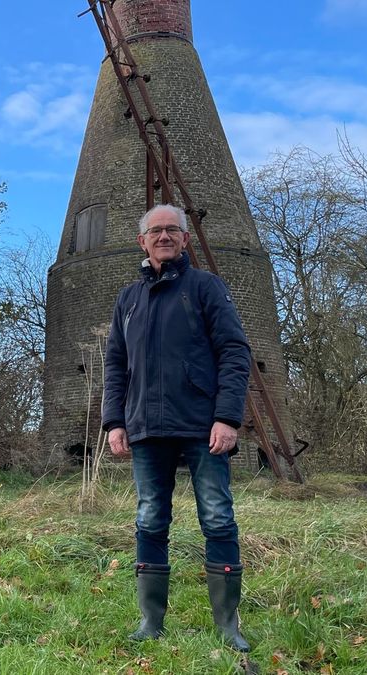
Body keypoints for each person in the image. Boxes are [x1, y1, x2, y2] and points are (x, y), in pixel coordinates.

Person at [101, 203, 252, 652]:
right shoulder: (128, 300)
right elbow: (115, 363)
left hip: (202, 426)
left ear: (186, 239)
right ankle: (151, 622)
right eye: (155, 231)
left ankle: (228, 624)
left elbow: (234, 352)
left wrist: (227, 416)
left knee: (217, 517)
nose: (164, 236)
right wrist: (114, 420)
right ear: (142, 241)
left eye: (173, 230)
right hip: (146, 427)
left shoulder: (206, 288)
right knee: (150, 518)